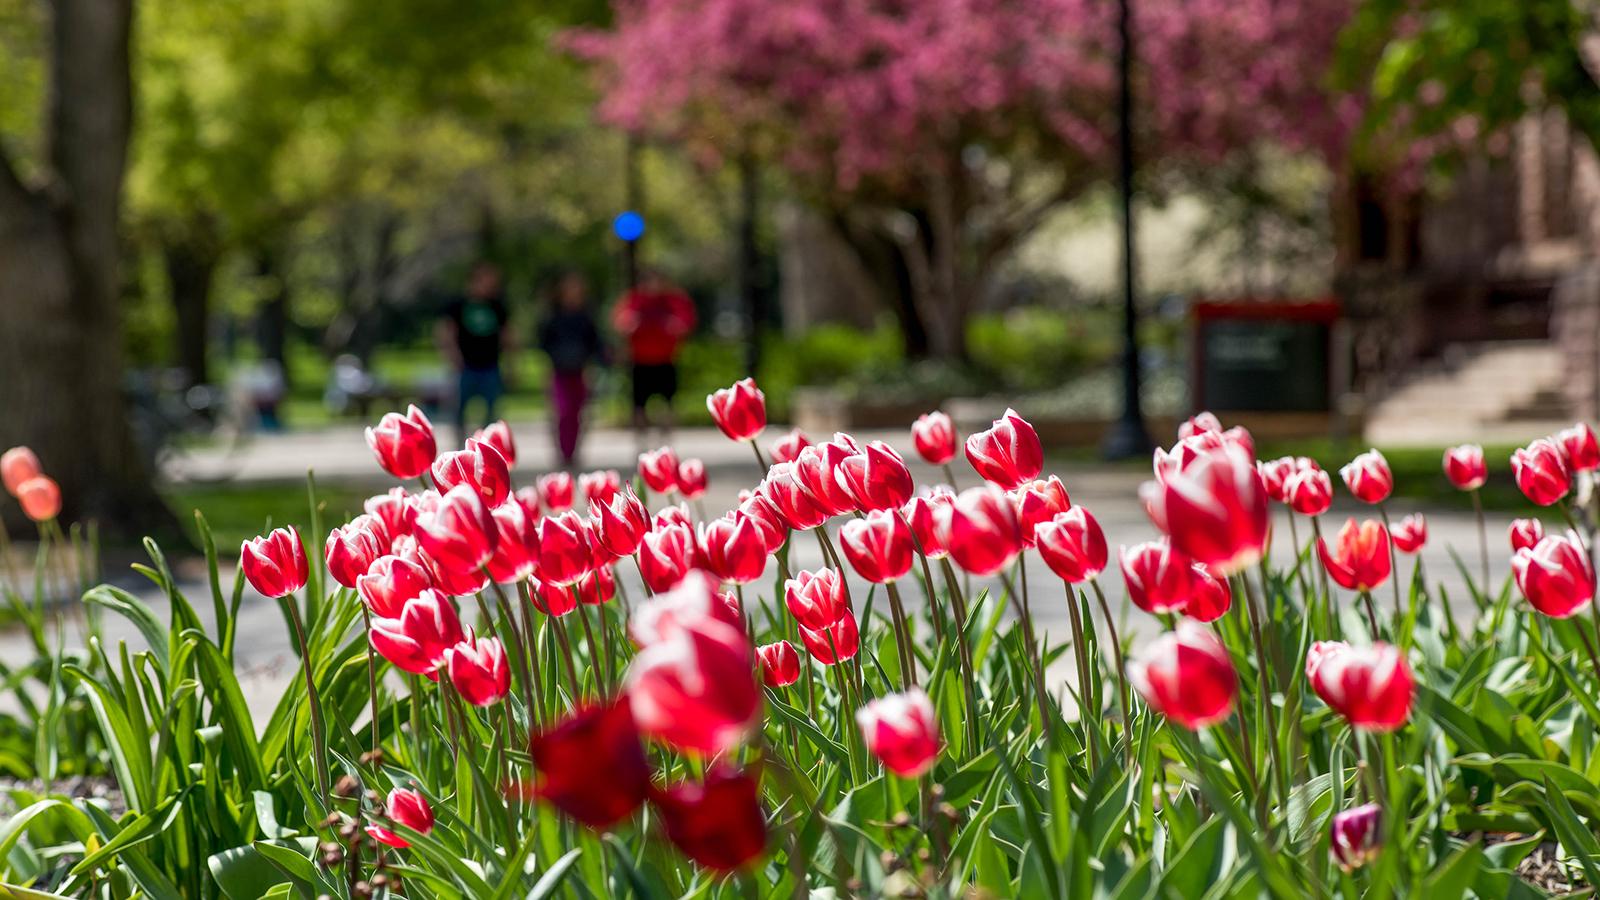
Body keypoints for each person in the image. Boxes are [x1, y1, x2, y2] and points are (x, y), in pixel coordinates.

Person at [612, 269, 696, 444]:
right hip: (641, 360)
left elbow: (685, 322)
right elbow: (621, 321)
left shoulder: (672, 300)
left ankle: (666, 437)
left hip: (666, 359)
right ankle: (641, 438)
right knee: (639, 403)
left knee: (668, 399)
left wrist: (673, 325)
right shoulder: (635, 300)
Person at [436, 261, 513, 444]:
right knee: (458, 410)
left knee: (491, 412)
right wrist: (453, 357)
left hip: (490, 365)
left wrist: (511, 363)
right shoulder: (458, 305)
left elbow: (507, 335)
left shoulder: (497, 306)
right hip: (465, 366)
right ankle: (460, 445)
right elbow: (446, 332)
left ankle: (486, 446)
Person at [537, 272, 607, 468]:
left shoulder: (586, 317)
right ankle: (562, 452)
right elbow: (544, 344)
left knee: (578, 414)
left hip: (580, 371)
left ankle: (574, 452)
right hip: (559, 371)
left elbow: (595, 344)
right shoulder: (553, 317)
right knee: (562, 412)